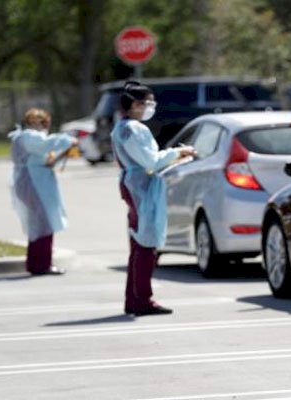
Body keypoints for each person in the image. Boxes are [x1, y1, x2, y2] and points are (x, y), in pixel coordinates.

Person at [111, 81, 196, 316]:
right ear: (132, 104)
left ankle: (134, 299)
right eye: (144, 103)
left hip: (136, 185)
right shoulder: (134, 129)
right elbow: (150, 162)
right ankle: (142, 300)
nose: (149, 107)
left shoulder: (123, 127)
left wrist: (173, 157)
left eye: (150, 102)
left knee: (139, 245)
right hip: (141, 188)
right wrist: (178, 153)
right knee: (146, 245)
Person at [8, 108, 78, 276]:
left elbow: (48, 161)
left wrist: (65, 152)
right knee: (44, 223)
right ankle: (42, 264)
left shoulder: (31, 139)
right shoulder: (29, 136)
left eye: (43, 122)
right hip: (34, 183)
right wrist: (67, 140)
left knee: (39, 224)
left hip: (38, 182)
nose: (41, 126)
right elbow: (47, 144)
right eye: (37, 122)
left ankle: (35, 263)